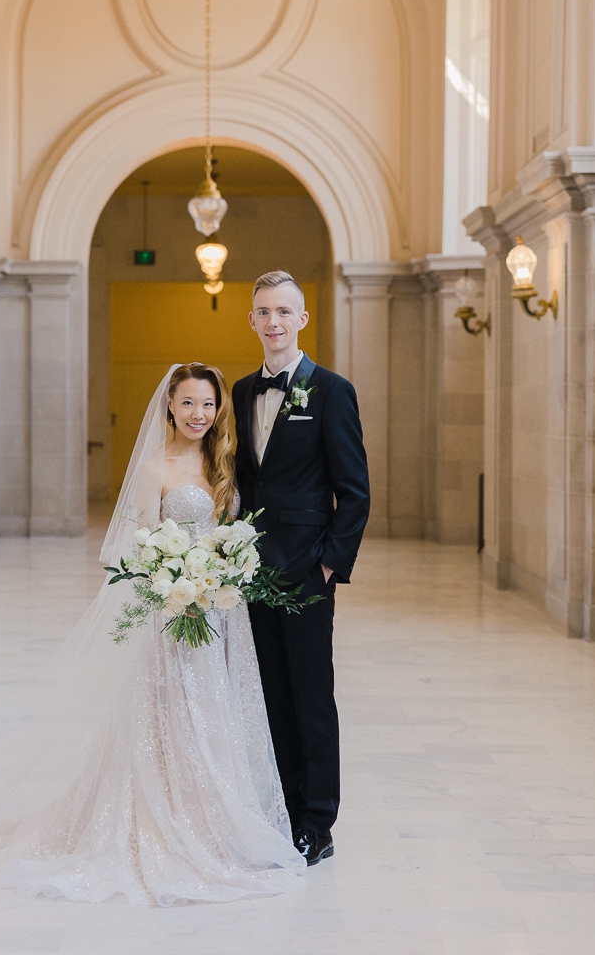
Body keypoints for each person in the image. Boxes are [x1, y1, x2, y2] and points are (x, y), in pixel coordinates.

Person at [0, 363, 305, 905]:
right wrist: (177, 580)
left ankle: (214, 823)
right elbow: (138, 548)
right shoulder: (153, 467)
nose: (198, 415)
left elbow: (231, 530)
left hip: (221, 613)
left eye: (208, 405)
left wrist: (225, 572)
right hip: (171, 612)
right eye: (187, 403)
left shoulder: (226, 463)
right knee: (170, 719)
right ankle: (162, 825)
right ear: (169, 406)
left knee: (215, 713)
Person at [231, 271, 370, 866]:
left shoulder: (332, 391)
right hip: (250, 572)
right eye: (264, 312)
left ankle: (318, 821)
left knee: (312, 696)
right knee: (268, 697)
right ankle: (280, 808)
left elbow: (355, 490)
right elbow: (243, 478)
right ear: (253, 321)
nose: (274, 322)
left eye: (285, 311)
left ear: (302, 320)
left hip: (306, 572)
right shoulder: (239, 391)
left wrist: (329, 566)